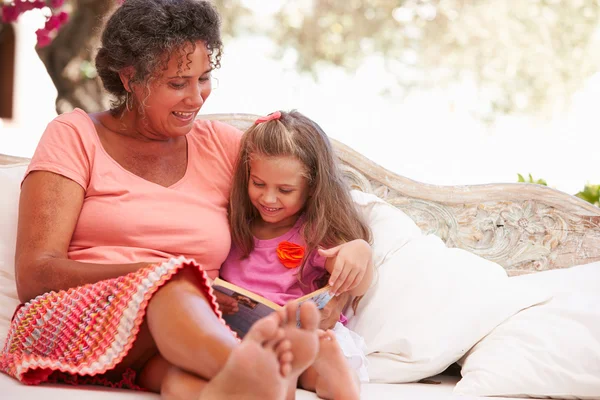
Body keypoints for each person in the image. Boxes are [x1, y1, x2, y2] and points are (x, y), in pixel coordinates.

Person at [0, 0, 373, 399]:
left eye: (204, 78)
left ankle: (254, 386)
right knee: (176, 285)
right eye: (177, 83)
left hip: (180, 337)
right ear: (130, 78)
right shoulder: (73, 136)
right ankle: (256, 369)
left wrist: (357, 255)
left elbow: (300, 200)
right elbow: (35, 275)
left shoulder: (224, 147)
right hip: (74, 321)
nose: (196, 98)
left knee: (185, 384)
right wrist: (163, 275)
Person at [220, 110, 374, 399]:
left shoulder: (313, 234)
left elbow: (357, 283)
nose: (268, 199)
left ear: (313, 188)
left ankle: (333, 373)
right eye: (259, 184)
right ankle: (291, 374)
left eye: (285, 190)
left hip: (304, 336)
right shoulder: (233, 229)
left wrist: (359, 251)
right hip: (245, 338)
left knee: (308, 355)